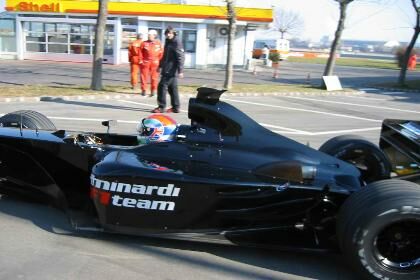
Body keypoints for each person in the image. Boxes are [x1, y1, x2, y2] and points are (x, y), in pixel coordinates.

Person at [152, 26, 185, 113]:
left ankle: (161, 107)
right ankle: (176, 107)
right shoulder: (168, 41)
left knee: (161, 87)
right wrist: (160, 66)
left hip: (171, 69)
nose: (168, 35)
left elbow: (180, 57)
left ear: (173, 33)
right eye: (167, 33)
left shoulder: (176, 42)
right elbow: (165, 56)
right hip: (167, 68)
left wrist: (180, 71)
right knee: (173, 89)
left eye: (170, 33)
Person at [139, 30, 163, 97]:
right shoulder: (144, 43)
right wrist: (141, 60)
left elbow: (161, 54)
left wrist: (160, 62)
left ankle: (153, 90)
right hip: (146, 62)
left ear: (154, 36)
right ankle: (143, 90)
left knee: (154, 78)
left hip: (155, 62)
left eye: (150, 35)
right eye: (148, 35)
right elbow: (140, 52)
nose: (149, 36)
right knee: (144, 77)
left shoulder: (158, 44)